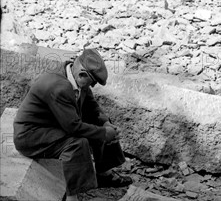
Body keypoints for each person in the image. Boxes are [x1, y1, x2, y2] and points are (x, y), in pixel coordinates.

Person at [13, 48, 132, 201]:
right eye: (93, 82)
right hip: (31, 135)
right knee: (76, 143)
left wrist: (106, 124)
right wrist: (103, 134)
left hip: (53, 124)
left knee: (101, 124)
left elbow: (92, 107)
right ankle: (72, 196)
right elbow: (73, 127)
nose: (92, 86)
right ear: (83, 74)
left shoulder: (75, 77)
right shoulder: (59, 87)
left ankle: (103, 173)